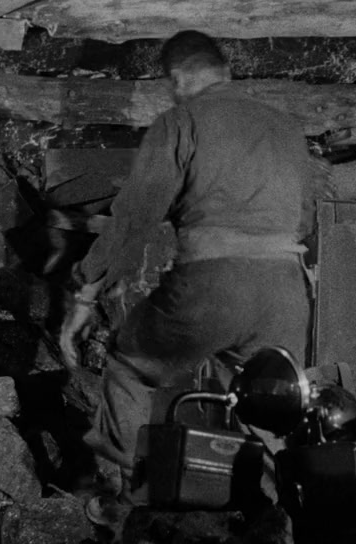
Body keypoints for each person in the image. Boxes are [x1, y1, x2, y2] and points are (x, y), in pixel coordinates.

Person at [59, 30, 313, 537]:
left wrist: (88, 289)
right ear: (226, 72)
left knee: (130, 363)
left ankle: (134, 503)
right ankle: (280, 515)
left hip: (213, 286)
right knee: (269, 397)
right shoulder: (286, 126)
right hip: (286, 288)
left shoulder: (180, 123)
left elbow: (135, 216)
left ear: (178, 79)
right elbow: (305, 217)